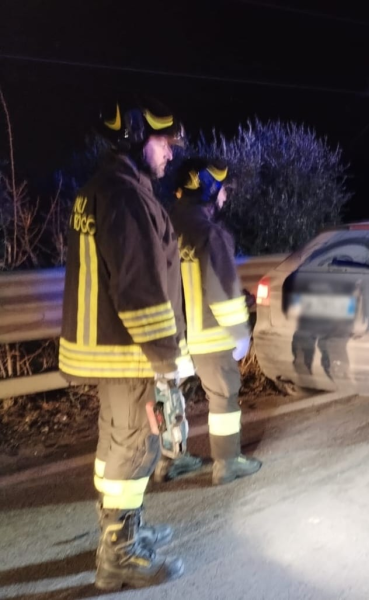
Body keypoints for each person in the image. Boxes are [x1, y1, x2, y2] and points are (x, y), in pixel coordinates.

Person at [59, 98, 190, 590]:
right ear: (138, 141)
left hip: (108, 349)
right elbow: (138, 287)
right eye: (164, 144)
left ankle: (119, 531)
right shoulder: (126, 197)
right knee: (136, 445)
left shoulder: (101, 189)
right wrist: (165, 359)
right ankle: (120, 553)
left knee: (116, 443)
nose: (171, 155)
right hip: (129, 351)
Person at [157, 158, 262, 485]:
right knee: (223, 396)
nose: (225, 197)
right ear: (208, 190)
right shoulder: (209, 234)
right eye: (222, 190)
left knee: (170, 398)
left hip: (166, 336)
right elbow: (224, 290)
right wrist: (239, 333)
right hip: (209, 338)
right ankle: (227, 463)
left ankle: (171, 460)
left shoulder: (162, 228)